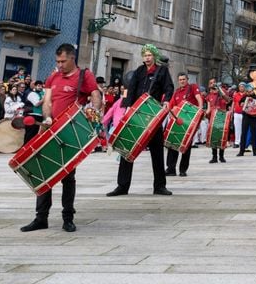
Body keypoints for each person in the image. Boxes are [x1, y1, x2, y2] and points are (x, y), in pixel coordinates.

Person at [21, 43, 100, 233]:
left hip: (70, 132)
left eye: (63, 61)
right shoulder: (53, 77)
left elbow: (96, 95)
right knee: (43, 172)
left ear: (73, 58)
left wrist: (94, 110)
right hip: (49, 130)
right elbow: (47, 102)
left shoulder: (84, 76)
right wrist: (47, 117)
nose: (60, 64)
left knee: (68, 177)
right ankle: (41, 218)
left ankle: (68, 218)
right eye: (57, 61)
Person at [107, 44, 174, 197]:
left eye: (150, 55)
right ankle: (122, 186)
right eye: (145, 55)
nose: (147, 58)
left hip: (152, 115)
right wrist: (128, 107)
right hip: (137, 115)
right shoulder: (139, 71)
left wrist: (167, 101)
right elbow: (131, 90)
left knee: (157, 151)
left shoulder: (161, 70)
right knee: (127, 149)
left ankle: (159, 186)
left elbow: (169, 88)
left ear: (154, 56)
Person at [165, 73, 204, 177]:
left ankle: (183, 170)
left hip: (189, 122)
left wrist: (199, 111)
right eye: (180, 79)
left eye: (183, 79)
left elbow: (199, 99)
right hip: (178, 122)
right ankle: (171, 169)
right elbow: (171, 107)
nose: (182, 81)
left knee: (186, 146)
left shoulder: (192, 87)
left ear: (187, 79)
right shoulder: (177, 92)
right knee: (172, 145)